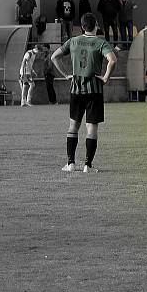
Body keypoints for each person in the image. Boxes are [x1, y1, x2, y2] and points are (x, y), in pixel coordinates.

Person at [50, 12, 117, 172]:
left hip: (76, 90)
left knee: (73, 126)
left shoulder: (73, 41)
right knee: (91, 127)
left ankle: (71, 163)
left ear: (82, 27)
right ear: (96, 26)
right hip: (94, 91)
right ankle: (88, 165)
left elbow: (54, 57)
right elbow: (112, 60)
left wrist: (66, 74)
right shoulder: (100, 42)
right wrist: (106, 77)